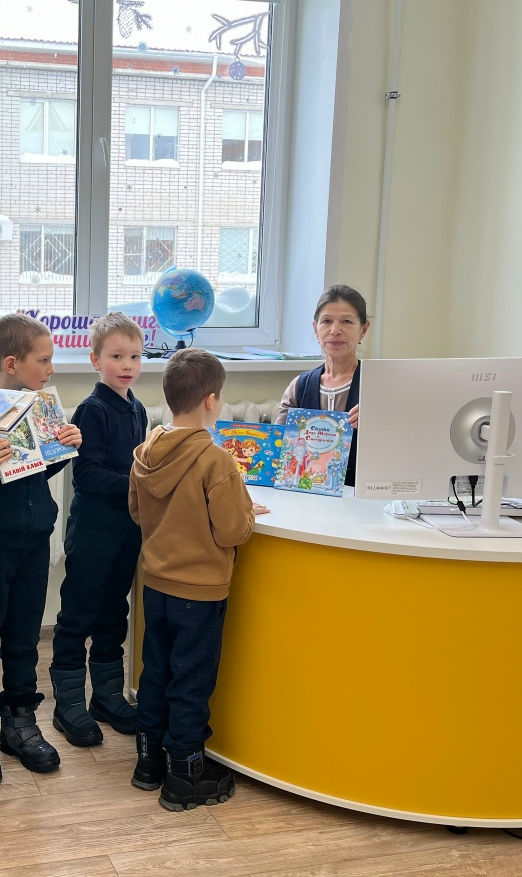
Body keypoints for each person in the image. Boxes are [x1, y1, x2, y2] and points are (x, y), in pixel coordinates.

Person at [128, 347, 268, 810]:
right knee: (191, 680)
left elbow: (137, 512)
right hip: (201, 593)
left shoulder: (146, 451)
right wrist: (247, 510)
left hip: (155, 584)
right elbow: (232, 530)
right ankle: (185, 775)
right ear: (211, 400)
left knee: (156, 672)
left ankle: (148, 762)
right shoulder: (216, 460)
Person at [0, 313, 82, 786]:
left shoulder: (38, 407)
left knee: (25, 636)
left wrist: (63, 448)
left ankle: (20, 722)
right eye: (43, 360)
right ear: (12, 363)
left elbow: (30, 472)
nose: (51, 369)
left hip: (34, 541)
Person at [50, 312, 147, 747]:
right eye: (117, 356)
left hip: (127, 530)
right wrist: (140, 485)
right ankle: (68, 703)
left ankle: (107, 696)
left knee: (114, 613)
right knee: (78, 614)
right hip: (92, 531)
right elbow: (86, 476)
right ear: (95, 360)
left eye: (135, 356)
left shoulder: (137, 408)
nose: (127, 365)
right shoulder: (91, 410)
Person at [277, 284, 370, 481]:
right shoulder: (299, 386)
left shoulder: (378, 385)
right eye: (326, 321)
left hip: (362, 491)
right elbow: (279, 446)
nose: (335, 330)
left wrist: (379, 423)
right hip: (305, 491)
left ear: (363, 330)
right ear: (315, 329)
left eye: (347, 321)